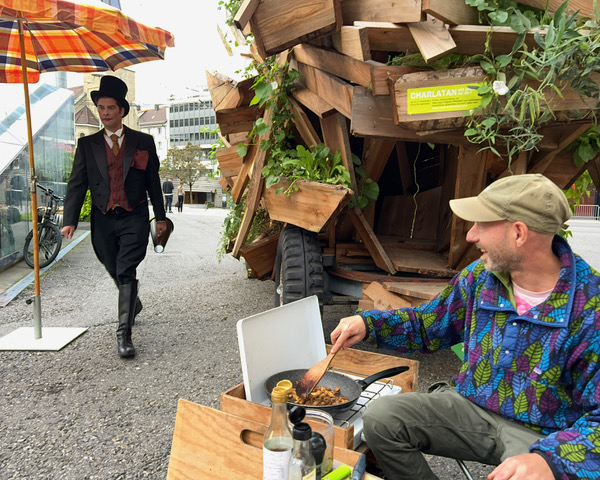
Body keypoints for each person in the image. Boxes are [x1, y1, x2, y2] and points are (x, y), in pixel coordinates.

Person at [330, 174, 600, 480]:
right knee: (381, 419)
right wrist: (368, 324)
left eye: (482, 224)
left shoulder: (592, 308)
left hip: (542, 435)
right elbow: (428, 324)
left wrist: (552, 462)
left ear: (519, 233)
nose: (471, 235)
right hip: (470, 408)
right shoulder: (479, 278)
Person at [62, 75, 167, 359]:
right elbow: (77, 183)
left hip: (133, 215)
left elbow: (152, 181)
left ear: (122, 110)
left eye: (110, 108)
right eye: (101, 108)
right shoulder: (88, 145)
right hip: (103, 217)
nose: (105, 113)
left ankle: (124, 334)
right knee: (110, 263)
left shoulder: (143, 141)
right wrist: (69, 219)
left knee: (126, 269)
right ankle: (132, 300)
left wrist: (160, 217)